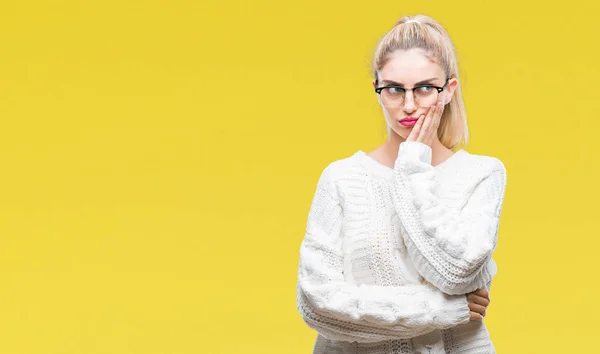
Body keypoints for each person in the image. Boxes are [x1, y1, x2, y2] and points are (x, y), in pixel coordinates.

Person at [296, 14, 507, 354]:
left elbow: (456, 272)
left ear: (449, 90)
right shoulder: (341, 178)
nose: (408, 105)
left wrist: (412, 167)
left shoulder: (481, 174)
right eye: (394, 89)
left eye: (425, 88)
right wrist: (445, 309)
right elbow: (318, 304)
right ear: (377, 89)